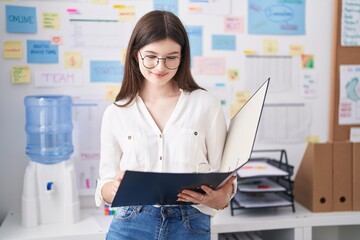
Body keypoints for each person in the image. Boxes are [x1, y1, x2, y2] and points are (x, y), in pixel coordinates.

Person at [95, 10, 236, 240]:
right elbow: (105, 185)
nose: (160, 66)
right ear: (134, 55)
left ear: (183, 57)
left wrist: (221, 198)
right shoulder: (116, 113)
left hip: (190, 224)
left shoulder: (206, 105)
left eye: (171, 57)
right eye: (151, 56)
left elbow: (224, 177)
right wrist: (114, 189)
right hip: (132, 222)